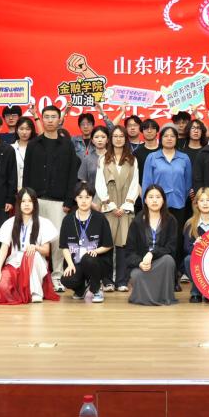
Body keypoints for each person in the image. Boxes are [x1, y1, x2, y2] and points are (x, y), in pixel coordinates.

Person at [22, 104, 80, 292]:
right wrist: (26, 199)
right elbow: (27, 173)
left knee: (56, 240)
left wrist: (69, 200)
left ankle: (57, 276)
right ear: (42, 119)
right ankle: (36, 275)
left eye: (53, 117)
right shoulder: (33, 144)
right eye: (46, 117)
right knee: (35, 238)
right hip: (36, 200)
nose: (49, 120)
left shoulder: (67, 145)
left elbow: (72, 174)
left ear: (59, 119)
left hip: (59, 202)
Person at [0, 188, 58, 304]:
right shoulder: (10, 223)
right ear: (18, 204)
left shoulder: (43, 222)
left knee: (32, 254)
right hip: (14, 263)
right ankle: (21, 291)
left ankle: (36, 292)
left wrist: (35, 247)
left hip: (34, 263)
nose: (26, 204)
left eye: (30, 201)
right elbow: (4, 249)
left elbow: (46, 251)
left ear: (35, 204)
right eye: (23, 201)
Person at [142, 125, 193, 284]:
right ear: (160, 138)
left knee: (176, 241)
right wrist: (148, 204)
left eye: (172, 136)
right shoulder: (152, 157)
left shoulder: (184, 158)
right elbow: (146, 183)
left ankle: (174, 276)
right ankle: (157, 274)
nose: (169, 138)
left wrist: (180, 196)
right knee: (158, 239)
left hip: (178, 205)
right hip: (156, 206)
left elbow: (188, 184)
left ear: (177, 138)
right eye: (166, 136)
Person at [95, 125, 140, 292]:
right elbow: (99, 184)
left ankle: (122, 280)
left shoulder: (132, 160)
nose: (118, 139)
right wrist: (110, 204)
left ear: (125, 138)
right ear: (110, 139)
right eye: (115, 136)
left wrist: (127, 204)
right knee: (107, 244)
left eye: (121, 136)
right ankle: (107, 280)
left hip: (126, 207)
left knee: (123, 244)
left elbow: (135, 184)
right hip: (109, 207)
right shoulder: (103, 159)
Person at [59, 183, 114, 302]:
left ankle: (96, 289)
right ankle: (81, 289)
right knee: (66, 279)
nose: (84, 201)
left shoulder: (100, 218)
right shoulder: (68, 220)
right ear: (75, 198)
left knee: (88, 259)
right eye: (80, 197)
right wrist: (70, 264)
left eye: (87, 197)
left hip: (96, 262)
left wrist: (95, 251)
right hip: (76, 262)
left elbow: (108, 245)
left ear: (92, 199)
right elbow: (64, 247)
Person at [126, 185, 179, 306]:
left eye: (158, 197)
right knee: (136, 275)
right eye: (151, 197)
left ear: (163, 200)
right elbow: (129, 251)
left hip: (161, 262)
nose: (154, 200)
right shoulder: (137, 221)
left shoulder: (171, 220)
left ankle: (164, 297)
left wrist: (152, 254)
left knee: (168, 260)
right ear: (145, 200)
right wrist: (140, 263)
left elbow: (171, 248)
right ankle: (150, 296)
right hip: (143, 263)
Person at [183, 188, 209, 303]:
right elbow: (186, 248)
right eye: (201, 200)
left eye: (208, 200)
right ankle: (196, 291)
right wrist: (196, 246)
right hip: (198, 262)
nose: (205, 203)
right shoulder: (190, 224)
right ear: (196, 204)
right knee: (188, 259)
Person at [77, 125, 110, 198]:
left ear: (107, 140)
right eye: (96, 137)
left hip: (111, 198)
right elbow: (83, 181)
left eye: (103, 137)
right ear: (92, 140)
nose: (100, 140)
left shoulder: (113, 157)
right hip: (92, 198)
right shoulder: (87, 159)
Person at [134, 119, 161, 185]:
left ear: (157, 131)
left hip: (162, 188)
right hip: (143, 188)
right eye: (146, 128)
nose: (149, 131)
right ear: (142, 131)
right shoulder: (136, 153)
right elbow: (134, 176)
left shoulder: (163, 150)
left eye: (152, 128)